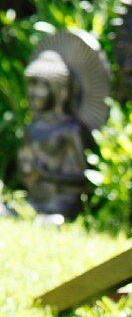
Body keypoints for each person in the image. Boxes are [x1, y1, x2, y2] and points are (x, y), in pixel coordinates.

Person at [18, 49, 89, 219]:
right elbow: (25, 172)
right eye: (31, 85)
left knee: (53, 219)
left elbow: (80, 179)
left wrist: (45, 174)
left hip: (62, 201)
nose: (33, 92)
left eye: (40, 85)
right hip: (34, 199)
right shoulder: (31, 128)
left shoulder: (71, 130)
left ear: (58, 90)